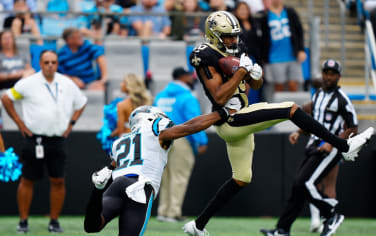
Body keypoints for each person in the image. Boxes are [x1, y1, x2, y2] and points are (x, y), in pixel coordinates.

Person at [183, 11, 374, 236]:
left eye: (235, 36)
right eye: (228, 37)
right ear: (214, 35)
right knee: (291, 109)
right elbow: (219, 97)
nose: (233, 41)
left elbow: (255, 85)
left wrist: (254, 74)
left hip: (240, 120)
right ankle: (345, 147)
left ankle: (198, 225)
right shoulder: (204, 55)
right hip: (230, 119)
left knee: (241, 177)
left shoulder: (238, 48)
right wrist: (242, 70)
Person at [83, 105, 226, 236]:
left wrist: (106, 173)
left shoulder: (119, 141)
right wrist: (221, 113)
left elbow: (114, 164)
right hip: (139, 186)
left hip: (117, 183)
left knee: (92, 225)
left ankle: (97, 190)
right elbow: (190, 126)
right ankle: (98, 189)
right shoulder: (155, 130)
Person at [260, 59, 358, 236]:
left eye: (332, 74)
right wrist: (299, 131)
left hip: (329, 147)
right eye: (326, 73)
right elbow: (314, 118)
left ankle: (331, 214)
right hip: (313, 144)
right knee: (298, 188)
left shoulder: (342, 100)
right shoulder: (319, 94)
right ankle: (282, 229)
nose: (328, 77)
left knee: (304, 183)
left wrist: (332, 142)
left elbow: (353, 127)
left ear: (338, 76)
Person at [1, 50, 87, 233]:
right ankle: (23, 221)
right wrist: (19, 123)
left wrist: (71, 124)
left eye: (53, 62)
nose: (50, 65)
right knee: (27, 180)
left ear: (57, 64)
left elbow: (82, 102)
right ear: (40, 63)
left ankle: (54, 221)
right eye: (46, 62)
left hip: (57, 140)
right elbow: (6, 98)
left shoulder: (66, 83)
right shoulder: (28, 83)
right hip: (34, 139)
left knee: (58, 180)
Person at [154, 67, 208, 222]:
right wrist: (202, 141)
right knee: (179, 176)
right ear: (183, 77)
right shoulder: (187, 97)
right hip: (180, 139)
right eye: (189, 76)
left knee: (165, 176)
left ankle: (163, 211)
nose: (192, 78)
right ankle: (173, 213)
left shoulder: (160, 96)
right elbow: (195, 121)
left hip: (160, 138)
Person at [259, 0, 306, 94]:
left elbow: (299, 30)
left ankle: (293, 108)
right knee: (278, 87)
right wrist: (264, 56)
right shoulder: (265, 15)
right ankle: (280, 109)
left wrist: (301, 49)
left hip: (292, 55)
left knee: (293, 85)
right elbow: (262, 38)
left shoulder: (290, 11)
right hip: (275, 57)